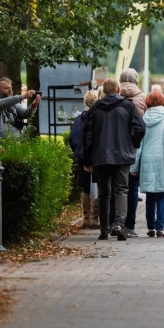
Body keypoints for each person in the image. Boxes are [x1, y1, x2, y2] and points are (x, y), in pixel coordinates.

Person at [82, 78, 145, 241]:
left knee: (104, 193)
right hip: (123, 156)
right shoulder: (128, 106)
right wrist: (132, 144)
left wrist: (88, 159)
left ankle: (104, 229)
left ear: (104, 90)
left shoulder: (95, 108)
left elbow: (88, 135)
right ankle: (119, 224)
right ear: (118, 90)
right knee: (121, 190)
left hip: (101, 156)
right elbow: (140, 127)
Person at [130, 90, 164, 238]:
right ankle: (160, 227)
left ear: (147, 103)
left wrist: (134, 167)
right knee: (161, 195)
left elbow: (138, 146)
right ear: (162, 102)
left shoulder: (143, 120)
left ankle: (150, 227)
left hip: (147, 161)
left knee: (150, 196)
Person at [116, 68, 147, 238]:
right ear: (136, 79)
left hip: (116, 145)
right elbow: (143, 124)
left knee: (117, 186)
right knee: (132, 186)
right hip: (134, 146)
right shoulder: (142, 97)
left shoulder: (115, 95)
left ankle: (115, 222)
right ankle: (130, 225)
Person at [69, 90, 99, 229]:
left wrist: (80, 155)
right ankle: (94, 219)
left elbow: (73, 139)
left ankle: (86, 218)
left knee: (85, 188)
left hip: (82, 158)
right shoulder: (98, 117)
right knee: (97, 187)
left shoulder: (78, 119)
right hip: (96, 158)